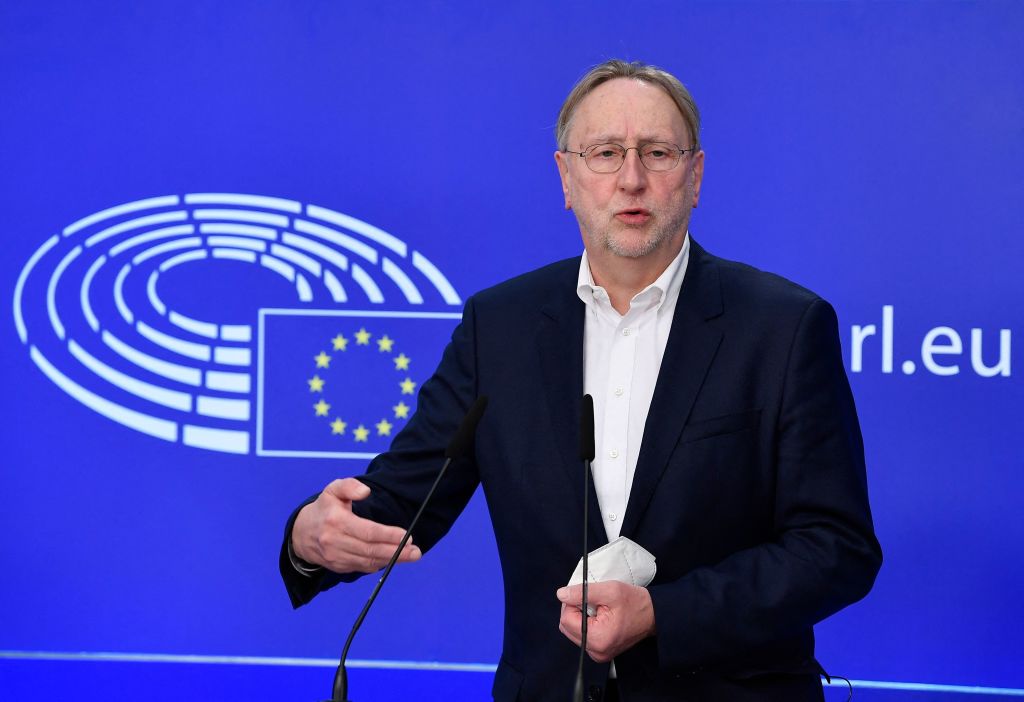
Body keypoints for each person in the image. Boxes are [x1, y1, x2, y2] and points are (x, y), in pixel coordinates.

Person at [281, 59, 882, 702]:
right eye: (605, 153)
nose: (632, 178)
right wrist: (309, 539)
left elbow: (836, 547)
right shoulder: (499, 327)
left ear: (696, 176)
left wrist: (665, 613)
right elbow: (403, 504)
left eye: (657, 153)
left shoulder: (782, 327)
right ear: (566, 177)